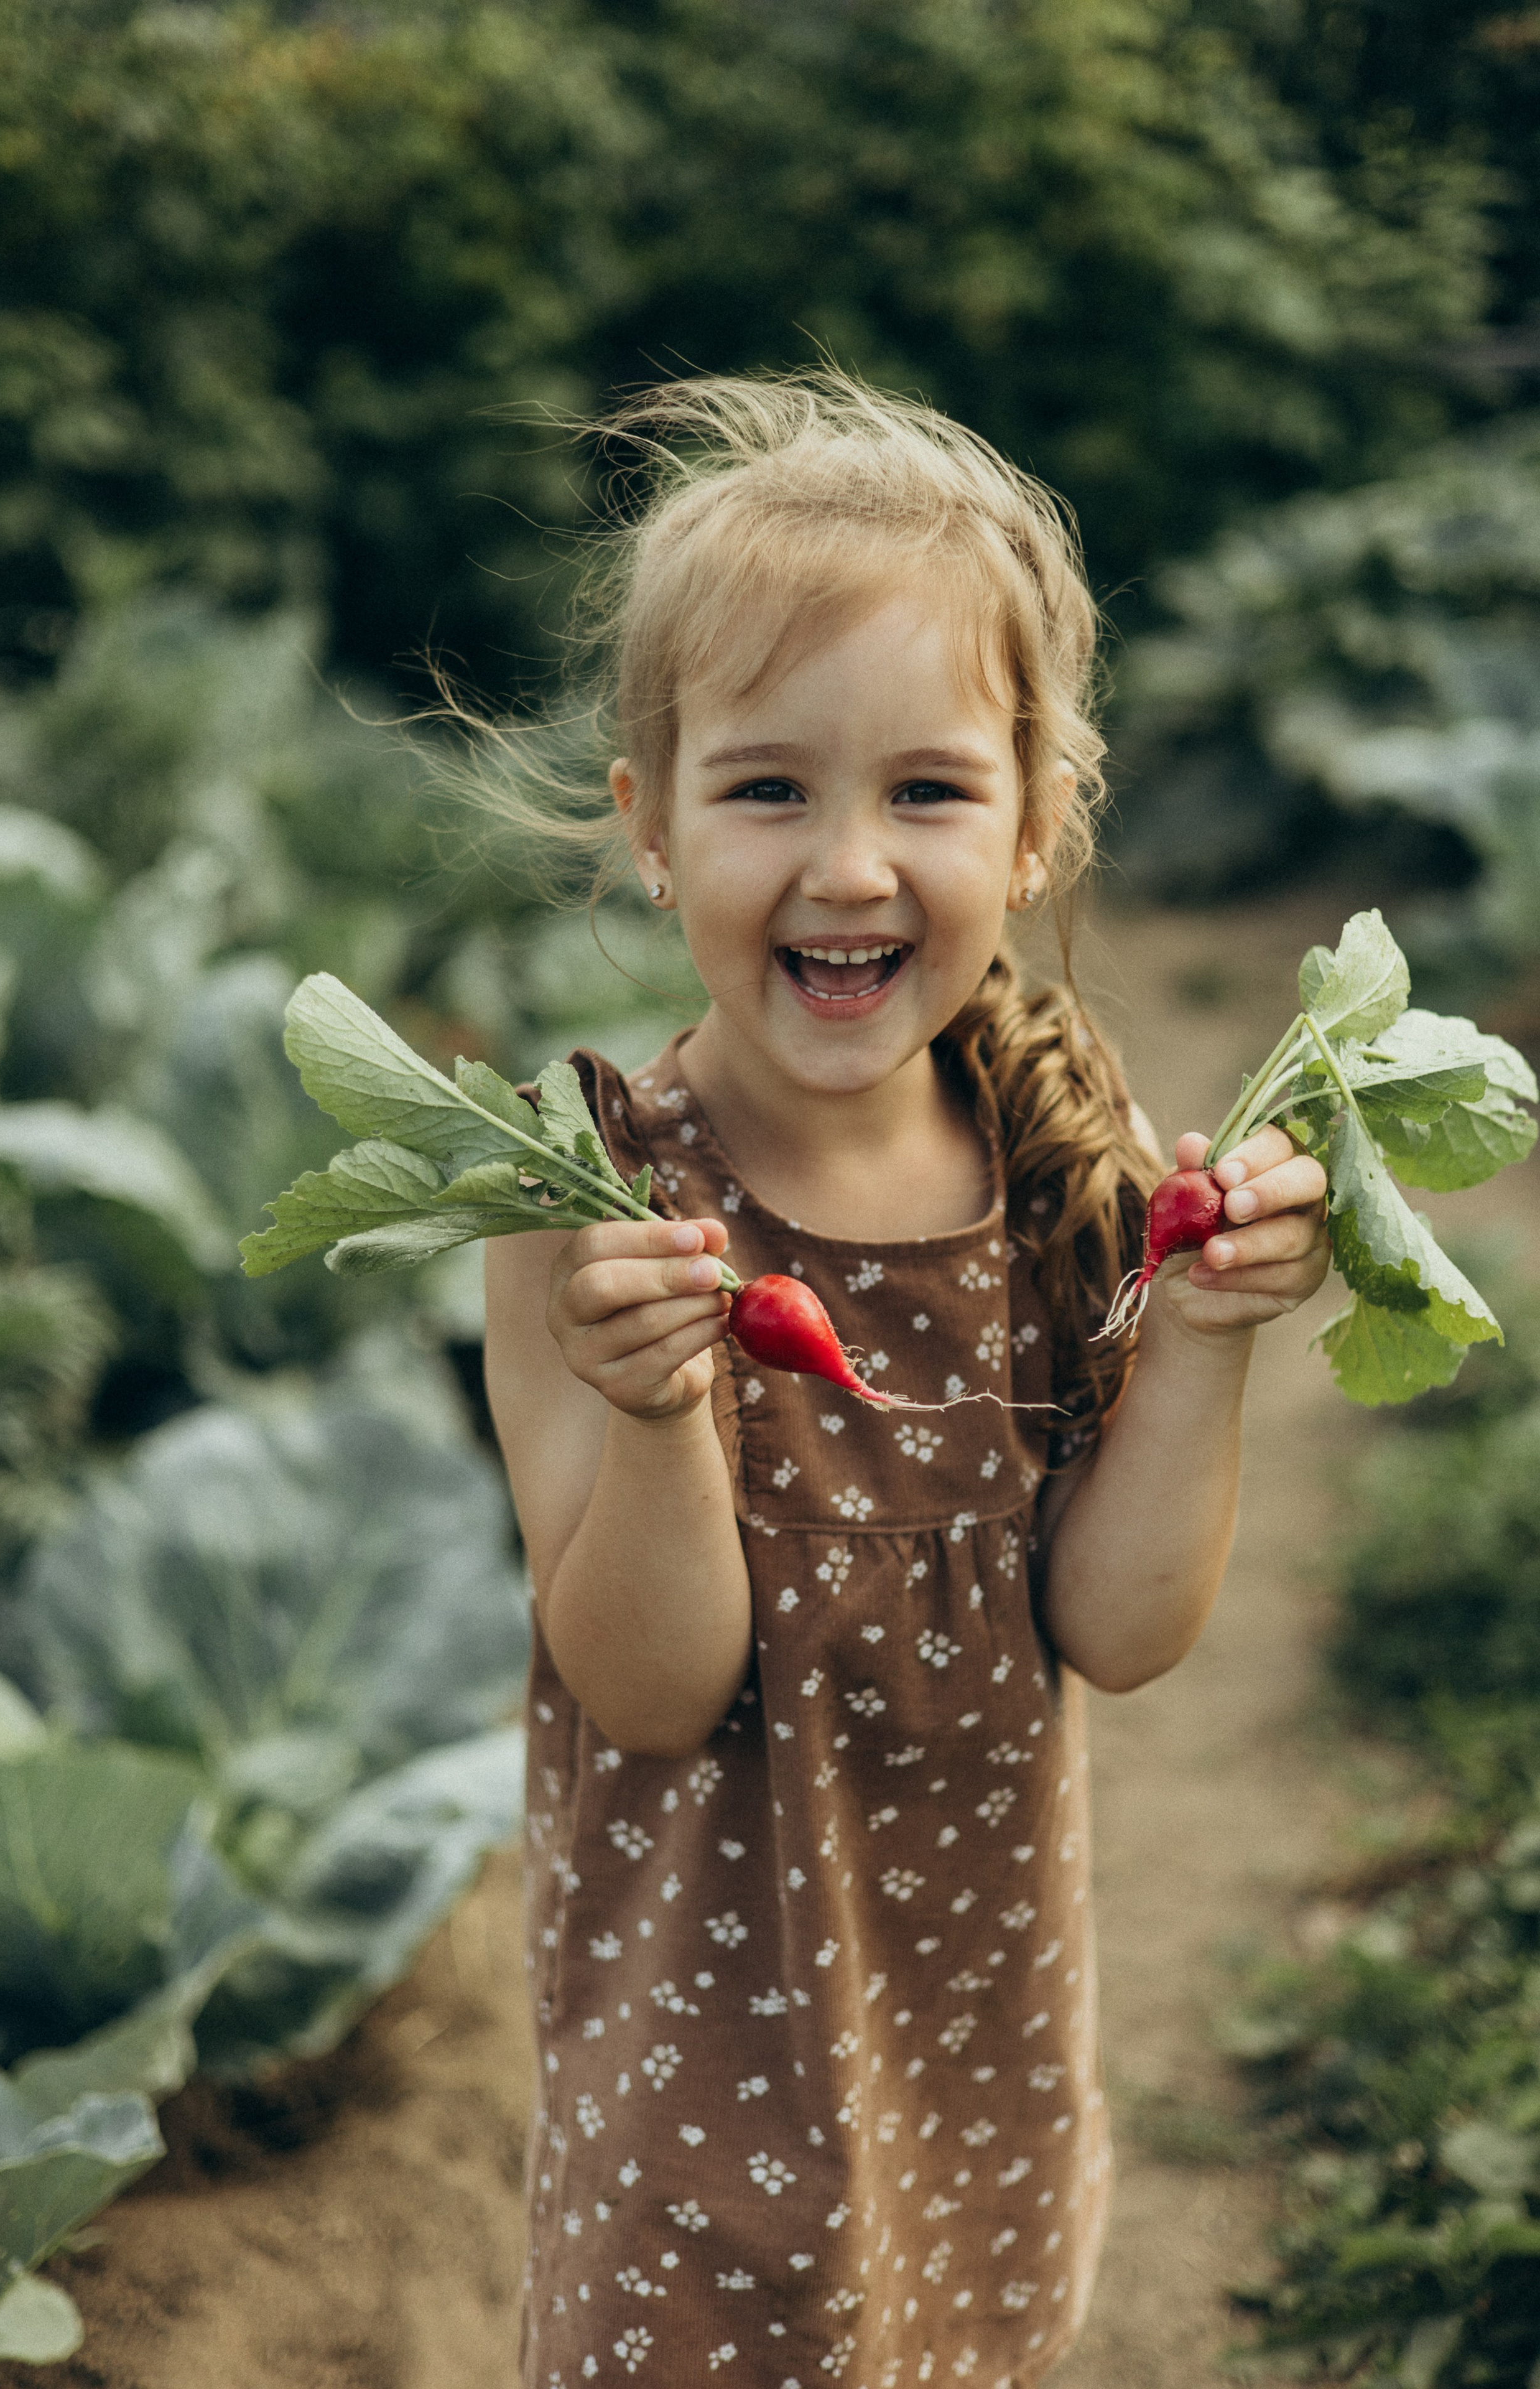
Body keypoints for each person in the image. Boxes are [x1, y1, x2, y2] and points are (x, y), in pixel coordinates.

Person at [480, 373, 1330, 2389]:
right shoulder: (581, 1198)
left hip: (978, 2081)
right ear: (651, 826)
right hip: (688, 2111)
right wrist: (660, 1409)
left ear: (1038, 824)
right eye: (769, 790)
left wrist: (1201, 1344)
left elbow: (1114, 1630)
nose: (850, 867)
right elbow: (647, 1684)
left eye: (928, 793)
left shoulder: (1060, 1146)